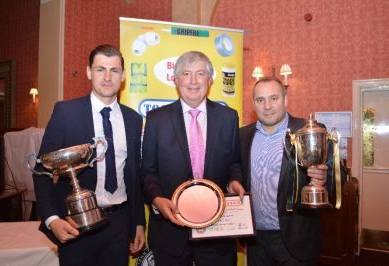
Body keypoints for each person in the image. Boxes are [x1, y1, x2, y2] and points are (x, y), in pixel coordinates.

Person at [33, 44, 145, 266]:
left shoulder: (133, 119)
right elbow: (41, 169)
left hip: (119, 224)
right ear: (88, 72)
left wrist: (138, 222)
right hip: (76, 224)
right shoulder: (66, 112)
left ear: (123, 76)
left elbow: (133, 176)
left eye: (114, 70)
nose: (107, 77)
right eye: (100, 69)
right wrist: (52, 219)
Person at [141, 51, 245, 266]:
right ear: (176, 79)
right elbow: (148, 171)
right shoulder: (156, 119)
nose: (193, 81)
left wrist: (235, 181)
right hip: (170, 231)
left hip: (217, 231)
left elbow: (234, 162)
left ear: (210, 79)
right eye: (186, 74)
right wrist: (157, 199)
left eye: (200, 73)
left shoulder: (228, 117)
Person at [239, 76, 336, 265]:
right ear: (254, 104)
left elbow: (334, 181)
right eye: (260, 100)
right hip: (256, 241)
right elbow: (237, 174)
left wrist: (324, 179)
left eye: (273, 98)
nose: (267, 106)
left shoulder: (310, 131)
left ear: (285, 100)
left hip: (296, 241)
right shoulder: (243, 135)